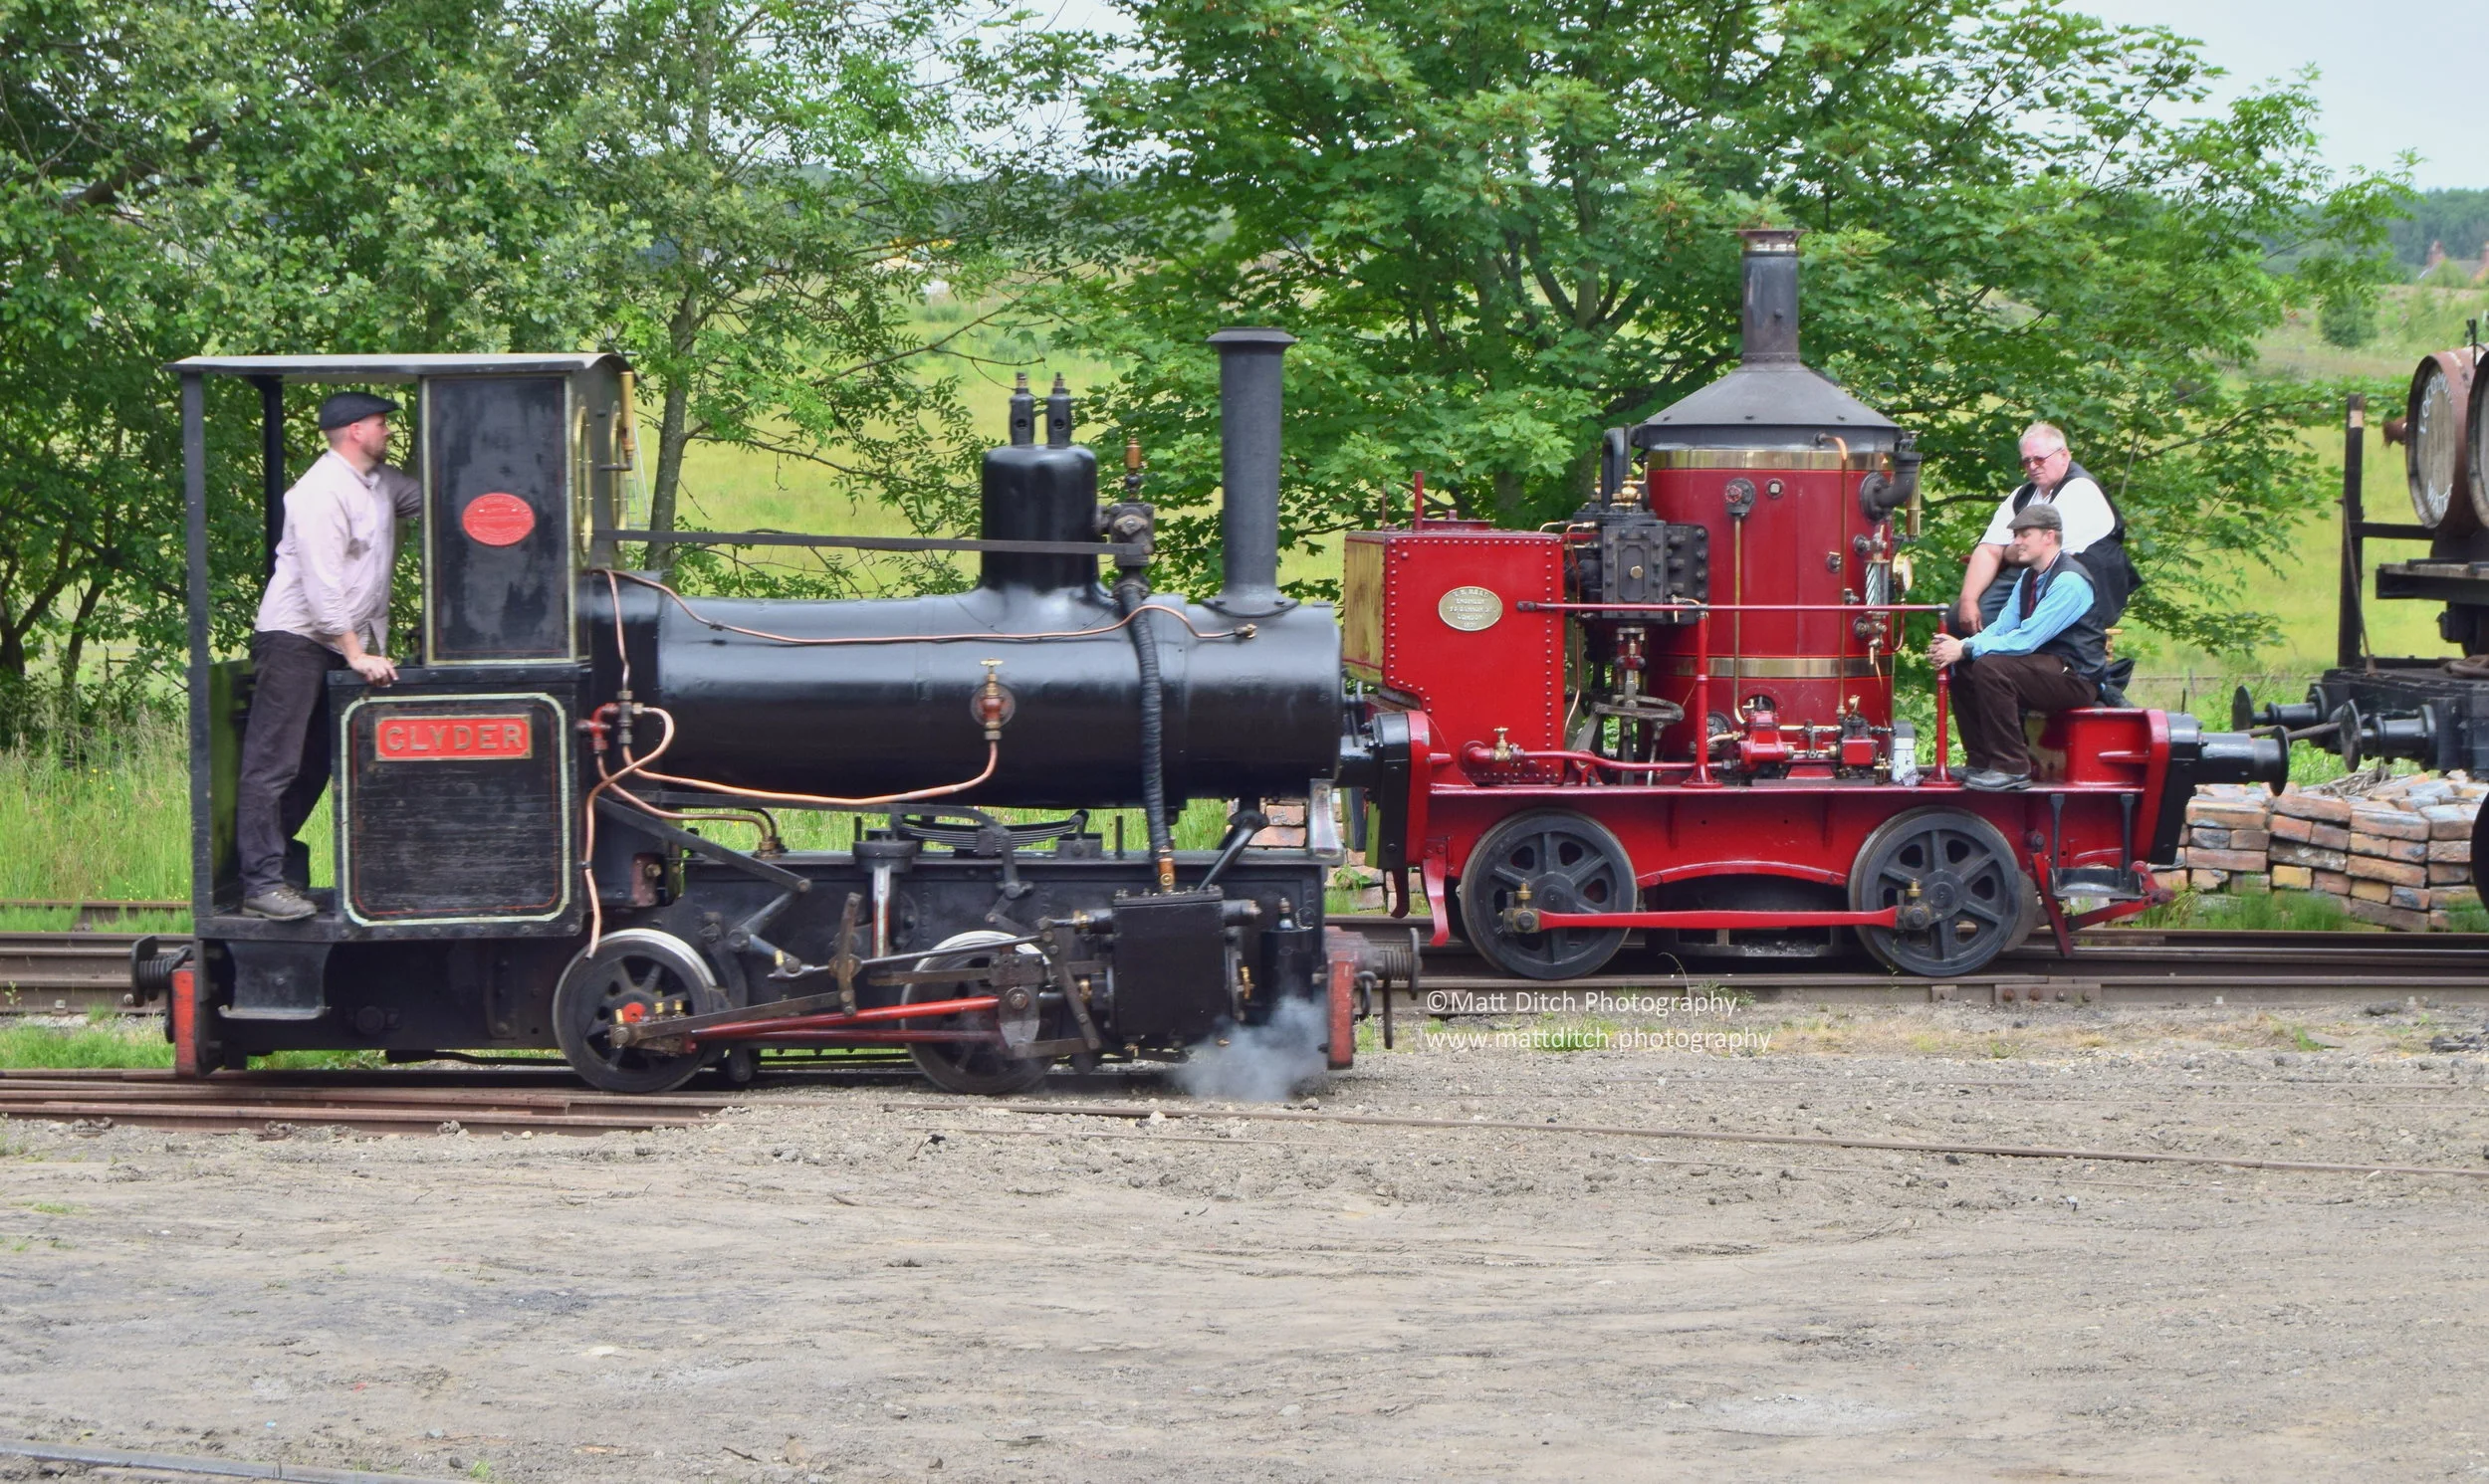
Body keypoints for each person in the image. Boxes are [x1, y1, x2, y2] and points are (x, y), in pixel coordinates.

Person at [234, 390, 420, 920]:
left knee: (315, 765)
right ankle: (261, 884)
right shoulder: (320, 492)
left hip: (334, 644)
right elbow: (322, 585)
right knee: (273, 765)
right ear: (356, 430)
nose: (388, 431)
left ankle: (276, 869)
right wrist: (357, 654)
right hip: (295, 640)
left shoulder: (380, 484)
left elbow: (434, 496)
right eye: (381, 423)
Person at [1927, 503, 2108, 791]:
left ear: (2048, 536)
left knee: (1990, 668)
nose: (2016, 543)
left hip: (2075, 675)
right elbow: (2002, 627)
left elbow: (2026, 639)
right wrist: (1961, 647)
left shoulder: (2070, 581)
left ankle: (2012, 768)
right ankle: (1981, 761)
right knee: (1964, 667)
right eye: (2015, 535)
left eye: (2025, 535)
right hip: (2043, 666)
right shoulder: (2029, 577)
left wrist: (1967, 648)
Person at [1954, 422, 2139, 636]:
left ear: (2064, 455)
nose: (2032, 466)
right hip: (2032, 577)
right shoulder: (2022, 495)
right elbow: (1989, 550)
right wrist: (1968, 600)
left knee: (1996, 628)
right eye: (2026, 461)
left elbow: (2040, 551)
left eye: (2039, 459)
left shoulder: (2081, 489)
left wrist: (2006, 553)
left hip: (2081, 590)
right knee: (1959, 619)